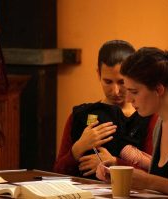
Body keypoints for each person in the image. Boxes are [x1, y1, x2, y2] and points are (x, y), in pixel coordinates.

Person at [53, 40, 157, 179]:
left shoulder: (149, 117)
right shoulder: (82, 115)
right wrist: (77, 149)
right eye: (108, 81)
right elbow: (57, 172)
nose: (115, 91)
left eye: (122, 82)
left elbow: (156, 174)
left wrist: (115, 163)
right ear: (98, 74)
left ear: (133, 77)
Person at [96, 47, 168, 196]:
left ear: (159, 89)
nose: (128, 99)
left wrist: (148, 181)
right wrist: (118, 167)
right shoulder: (160, 124)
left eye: (134, 92)